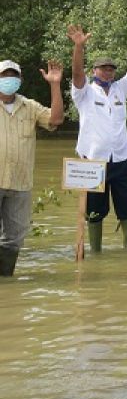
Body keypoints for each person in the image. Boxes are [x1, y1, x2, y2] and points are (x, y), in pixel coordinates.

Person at [67, 24, 127, 252]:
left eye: (111, 69)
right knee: (94, 213)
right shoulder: (83, 92)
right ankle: (95, 253)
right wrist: (79, 47)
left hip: (122, 159)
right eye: (103, 69)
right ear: (94, 71)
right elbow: (77, 73)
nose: (108, 72)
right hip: (93, 161)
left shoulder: (120, 88)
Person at [0, 59, 64, 277]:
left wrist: (54, 85)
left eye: (13, 76)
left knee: (14, 238)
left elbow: (56, 119)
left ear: (20, 80)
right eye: (4, 75)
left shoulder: (30, 106)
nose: (8, 80)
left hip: (20, 183)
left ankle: (6, 281)